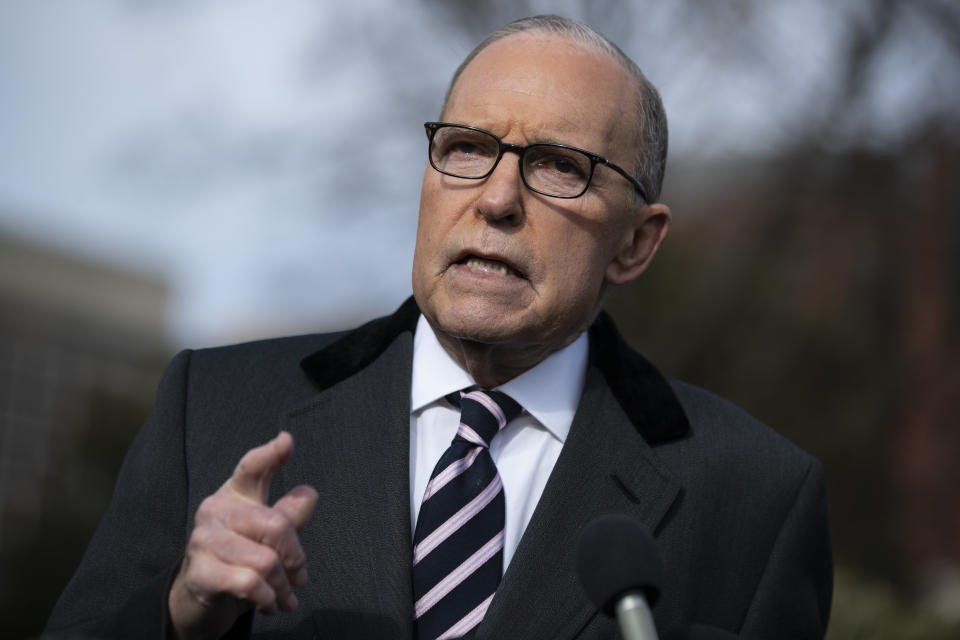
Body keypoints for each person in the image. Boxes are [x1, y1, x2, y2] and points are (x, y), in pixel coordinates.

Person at [45, 14, 832, 640]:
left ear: (634, 243)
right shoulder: (212, 408)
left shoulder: (755, 494)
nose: (495, 199)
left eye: (559, 166)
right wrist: (182, 615)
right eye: (466, 148)